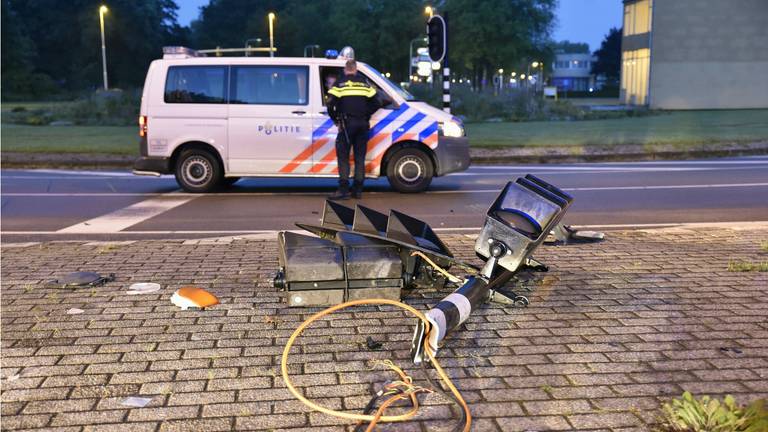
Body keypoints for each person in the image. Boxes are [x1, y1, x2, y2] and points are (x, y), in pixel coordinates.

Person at [326, 59, 381, 200]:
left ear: (345, 69)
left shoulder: (340, 83)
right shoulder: (364, 83)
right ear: (355, 70)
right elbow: (377, 102)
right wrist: (366, 113)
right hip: (362, 124)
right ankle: (357, 191)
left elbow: (330, 104)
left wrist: (336, 120)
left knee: (343, 157)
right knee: (359, 158)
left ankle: (343, 190)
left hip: (346, 125)